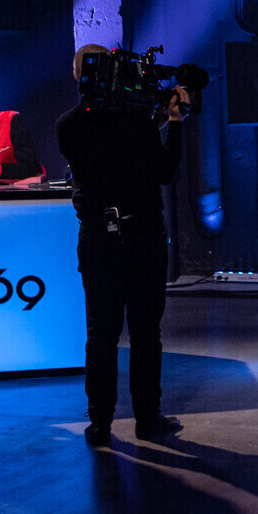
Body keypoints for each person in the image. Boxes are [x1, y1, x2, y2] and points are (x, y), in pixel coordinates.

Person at [56, 45, 190, 446]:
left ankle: (100, 422)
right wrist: (174, 120)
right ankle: (147, 418)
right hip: (142, 236)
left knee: (101, 333)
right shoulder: (138, 124)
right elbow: (164, 171)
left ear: (78, 74)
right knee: (146, 332)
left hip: (97, 238)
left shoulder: (66, 125)